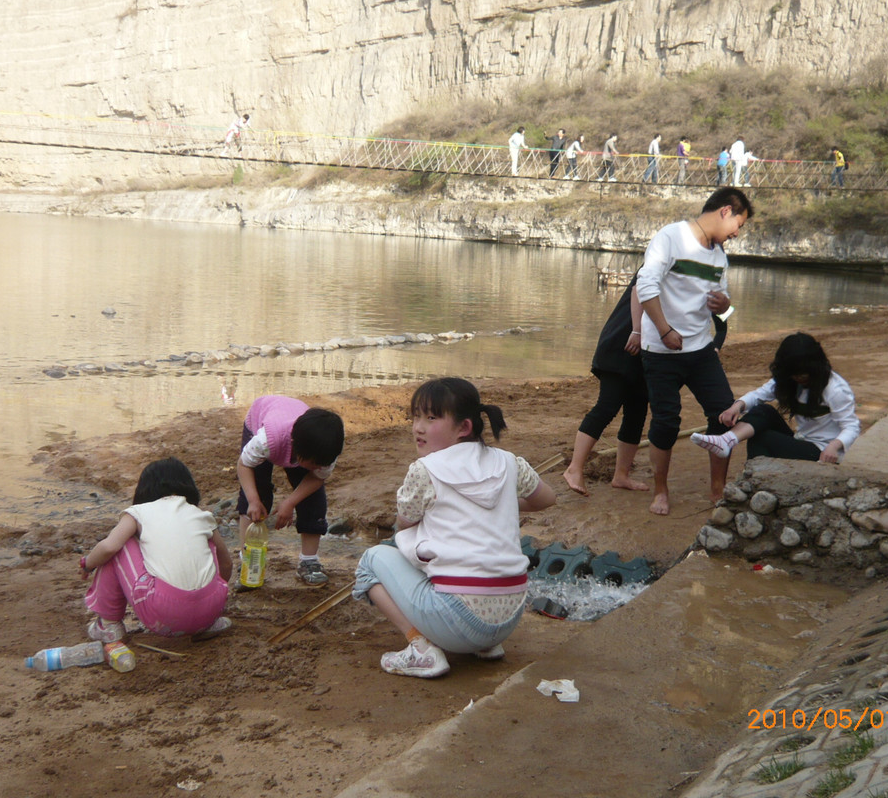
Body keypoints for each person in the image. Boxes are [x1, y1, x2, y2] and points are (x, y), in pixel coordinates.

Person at [353, 378, 556, 678]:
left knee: (372, 560)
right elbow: (546, 499)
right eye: (416, 417)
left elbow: (403, 525)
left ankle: (420, 649)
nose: (418, 427)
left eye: (431, 418)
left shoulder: (425, 470)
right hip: (509, 618)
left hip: (458, 621)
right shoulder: (509, 462)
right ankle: (485, 646)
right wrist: (504, 505)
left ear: (463, 428)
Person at [637, 186, 753, 514]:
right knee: (666, 421)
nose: (736, 233)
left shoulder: (719, 256)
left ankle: (717, 489)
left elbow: (724, 310)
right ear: (726, 211)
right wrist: (664, 330)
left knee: (725, 414)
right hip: (661, 348)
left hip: (701, 348)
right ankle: (660, 490)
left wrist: (725, 305)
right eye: (738, 225)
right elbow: (645, 286)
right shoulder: (671, 237)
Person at [81, 458, 232, 642]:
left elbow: (108, 547)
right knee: (207, 543)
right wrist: (209, 600)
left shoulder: (138, 512)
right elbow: (226, 562)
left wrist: (87, 564)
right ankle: (206, 623)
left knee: (120, 544)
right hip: (211, 610)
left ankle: (109, 624)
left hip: (163, 614)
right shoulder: (200, 515)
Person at [690, 333, 860, 466]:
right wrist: (737, 406)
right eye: (794, 374)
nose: (799, 378)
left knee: (763, 438)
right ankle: (727, 440)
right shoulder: (789, 379)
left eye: (803, 374)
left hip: (823, 451)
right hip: (801, 440)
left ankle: (754, 484)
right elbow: (758, 395)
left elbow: (851, 426)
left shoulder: (835, 389)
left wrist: (835, 445)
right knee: (763, 411)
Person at [236, 396, 345, 586]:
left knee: (313, 500)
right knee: (256, 496)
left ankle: (309, 562)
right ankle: (247, 558)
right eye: (314, 464)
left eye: (323, 464)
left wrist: (290, 502)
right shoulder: (266, 440)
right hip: (263, 419)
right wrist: (253, 500)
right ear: (296, 448)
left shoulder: (326, 451)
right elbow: (244, 465)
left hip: (300, 437)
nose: (319, 467)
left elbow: (316, 478)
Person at [563, 274, 651, 496]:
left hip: (648, 349)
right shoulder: (665, 254)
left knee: (637, 411)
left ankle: (621, 476)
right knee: (608, 406)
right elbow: (638, 290)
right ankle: (574, 468)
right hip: (624, 342)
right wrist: (637, 330)